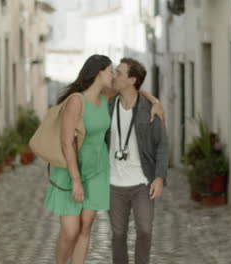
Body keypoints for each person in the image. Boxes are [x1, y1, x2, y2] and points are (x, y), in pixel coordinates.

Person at [44, 55, 164, 264]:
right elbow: (66, 143)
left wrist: (155, 102)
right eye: (111, 71)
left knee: (86, 227)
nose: (114, 75)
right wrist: (75, 180)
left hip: (97, 169)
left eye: (117, 72)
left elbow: (134, 91)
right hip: (72, 170)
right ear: (99, 72)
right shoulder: (80, 100)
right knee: (71, 231)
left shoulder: (105, 97)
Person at [106, 58, 169, 264]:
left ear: (132, 79)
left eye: (120, 73)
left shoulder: (149, 110)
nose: (114, 76)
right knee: (118, 235)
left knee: (144, 230)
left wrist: (159, 178)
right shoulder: (108, 106)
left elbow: (162, 145)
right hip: (114, 183)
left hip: (143, 182)